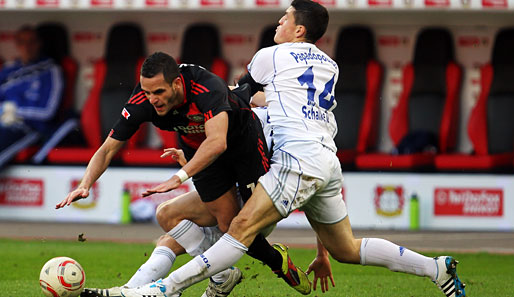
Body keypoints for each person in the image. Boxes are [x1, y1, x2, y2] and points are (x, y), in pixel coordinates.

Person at [121, 1, 467, 297]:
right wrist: (321, 250)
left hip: (297, 159)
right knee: (345, 248)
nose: (279, 22)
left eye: (285, 17)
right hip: (326, 161)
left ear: (299, 29)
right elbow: (278, 103)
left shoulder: (269, 56)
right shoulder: (329, 67)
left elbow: (237, 99)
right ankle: (436, 269)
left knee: (239, 227)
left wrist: (209, 107)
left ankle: (162, 289)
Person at [57, 52, 310, 296]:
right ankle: (223, 276)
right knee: (223, 223)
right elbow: (108, 148)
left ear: (177, 84)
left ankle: (276, 262)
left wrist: (179, 177)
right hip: (201, 152)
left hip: (242, 146)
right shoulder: (142, 102)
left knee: (246, 227)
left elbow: (218, 142)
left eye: (159, 92)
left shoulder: (206, 87)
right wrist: (85, 184)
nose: (152, 99)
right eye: (147, 92)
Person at [0, 25, 63, 169]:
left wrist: (14, 111)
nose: (27, 47)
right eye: (22, 42)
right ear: (16, 44)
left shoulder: (50, 70)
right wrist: (3, 110)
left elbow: (48, 111)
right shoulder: (8, 70)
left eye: (31, 42)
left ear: (39, 44)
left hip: (28, 127)